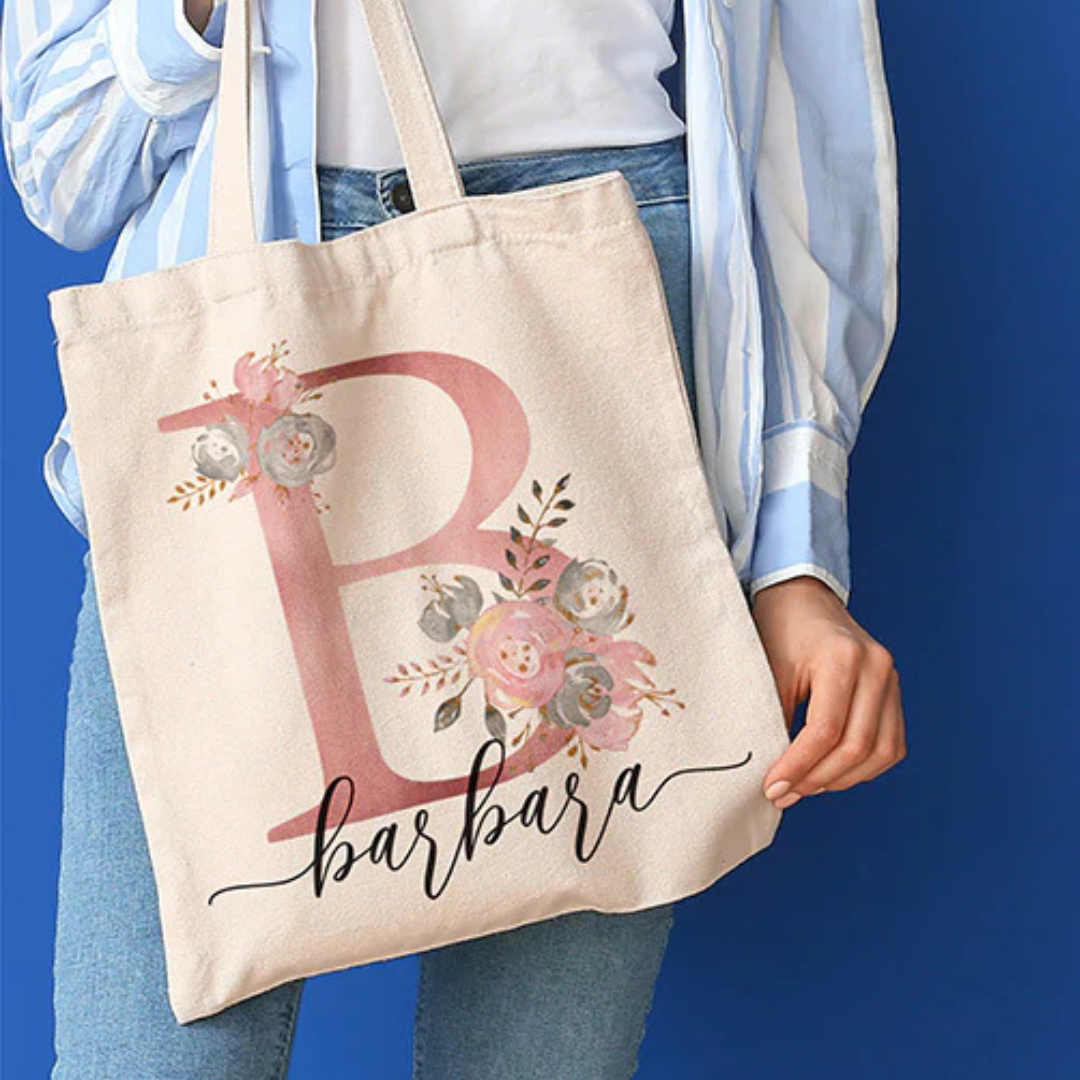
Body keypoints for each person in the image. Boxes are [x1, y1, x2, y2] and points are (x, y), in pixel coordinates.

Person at [2, 0, 907, 1076]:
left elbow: (806, 128)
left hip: (601, 283)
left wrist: (795, 553)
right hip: (254, 311)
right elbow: (65, 157)